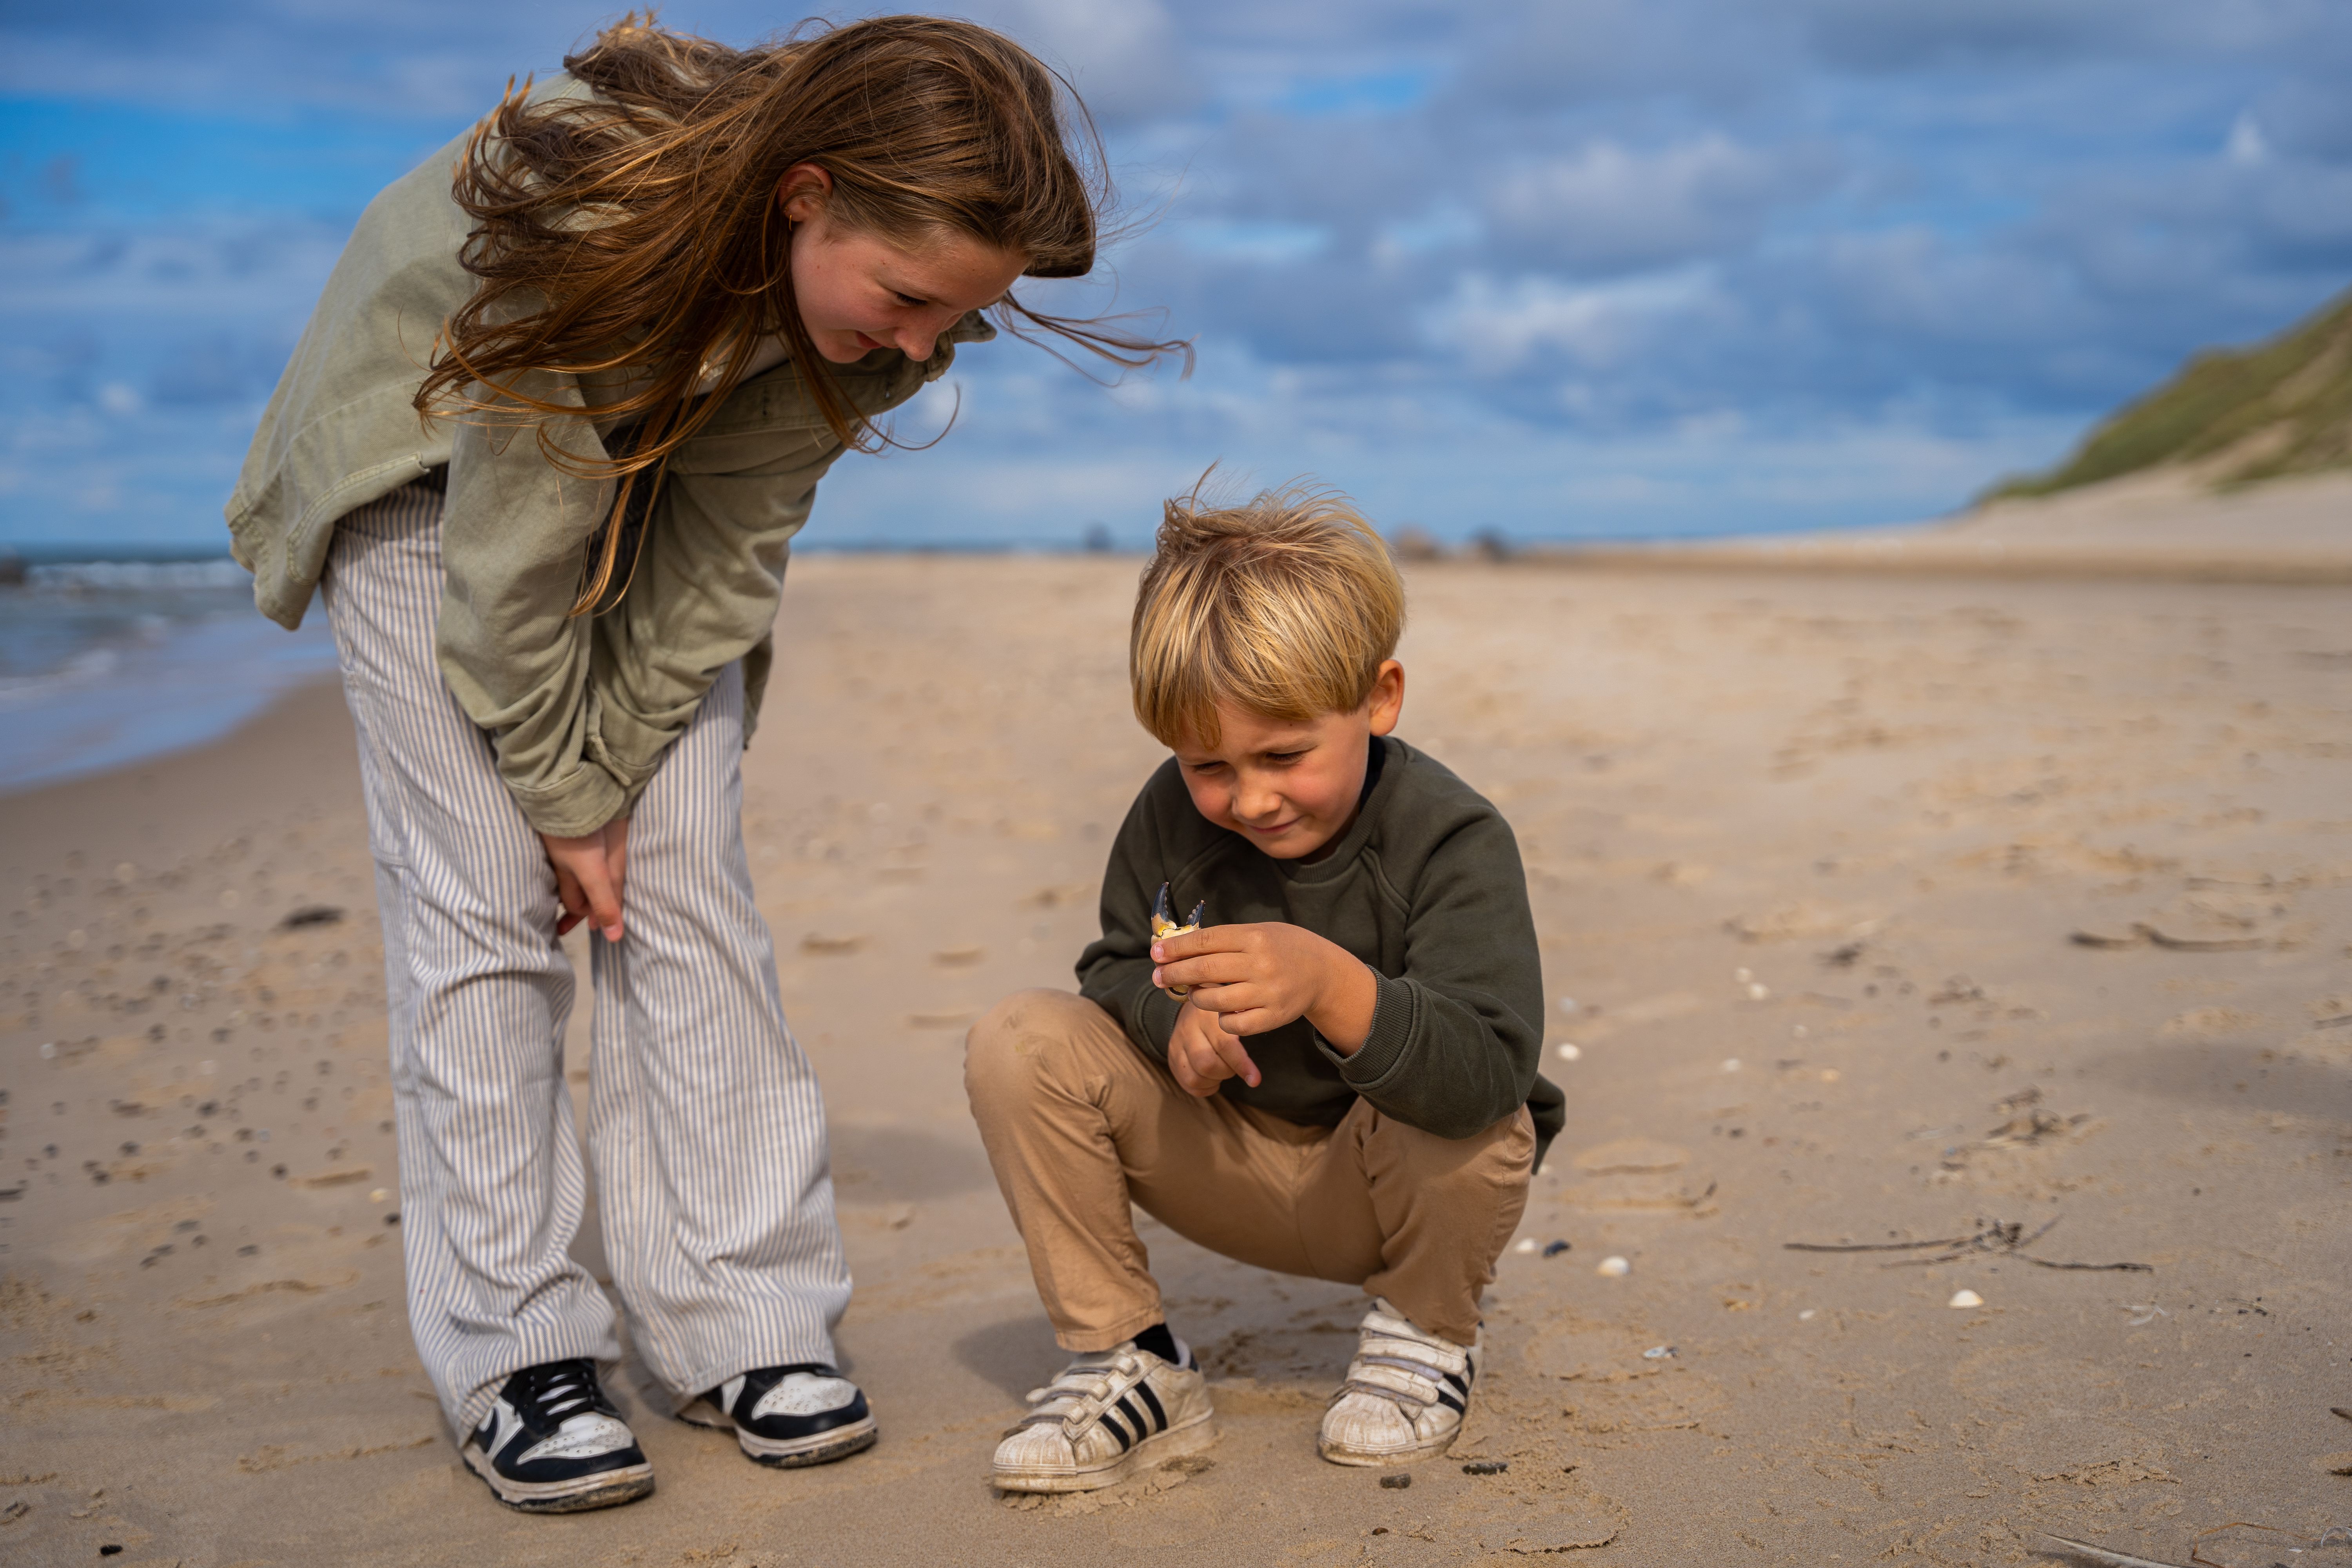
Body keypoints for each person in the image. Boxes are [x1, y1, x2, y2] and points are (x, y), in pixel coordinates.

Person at [225, 15, 1176, 1514]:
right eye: (911, 298)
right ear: (807, 197)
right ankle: (515, 1352)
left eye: (954, 318)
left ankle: (743, 1318)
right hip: (428, 465)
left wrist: (611, 799)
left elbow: (722, 560)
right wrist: (560, 795)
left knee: (682, 883)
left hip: (652, 477)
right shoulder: (594, 221)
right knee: (485, 905)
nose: (925, 346)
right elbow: (507, 565)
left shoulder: (855, 322)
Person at [963, 483, 1566, 1492]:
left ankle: (1425, 1332)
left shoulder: (1452, 835)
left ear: (1378, 699)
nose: (1249, 798)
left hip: (1383, 1182)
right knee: (1018, 1038)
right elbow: (1116, 963)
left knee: (1483, 1114)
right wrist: (1172, 1021)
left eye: (1285, 754)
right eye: (1209, 764)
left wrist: (1331, 982)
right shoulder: (1174, 817)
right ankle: (1132, 1359)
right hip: (1223, 1152)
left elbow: (1487, 1076)